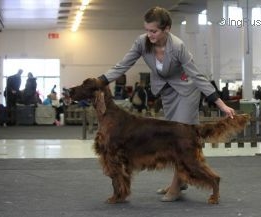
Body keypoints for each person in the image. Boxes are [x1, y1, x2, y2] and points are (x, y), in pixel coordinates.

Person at [85, 6, 235, 202]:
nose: (149, 35)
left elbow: (197, 76)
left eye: (153, 31)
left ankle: (175, 188)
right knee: (169, 139)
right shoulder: (142, 42)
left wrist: (221, 104)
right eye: (147, 30)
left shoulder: (178, 47)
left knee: (179, 139)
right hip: (167, 92)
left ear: (167, 29)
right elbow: (123, 65)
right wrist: (100, 81)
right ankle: (180, 181)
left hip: (185, 90)